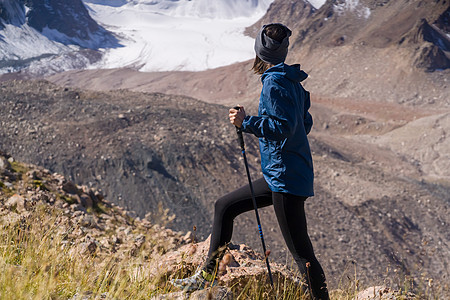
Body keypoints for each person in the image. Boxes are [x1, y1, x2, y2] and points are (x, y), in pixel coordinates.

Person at [171, 23, 330, 299]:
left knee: (302, 254)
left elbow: (283, 127)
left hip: (285, 180)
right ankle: (205, 277)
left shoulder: (274, 82)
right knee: (225, 206)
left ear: (259, 50)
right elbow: (304, 123)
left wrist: (246, 122)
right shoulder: (292, 80)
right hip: (281, 174)